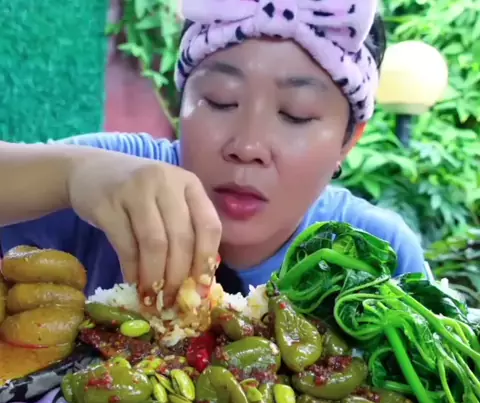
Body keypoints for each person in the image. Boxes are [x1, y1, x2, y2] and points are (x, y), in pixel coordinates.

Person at [0, 0, 425, 303]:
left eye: (296, 114)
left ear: (349, 140)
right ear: (180, 104)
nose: (248, 146)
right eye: (221, 101)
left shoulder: (380, 255)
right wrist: (71, 176)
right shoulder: (114, 179)